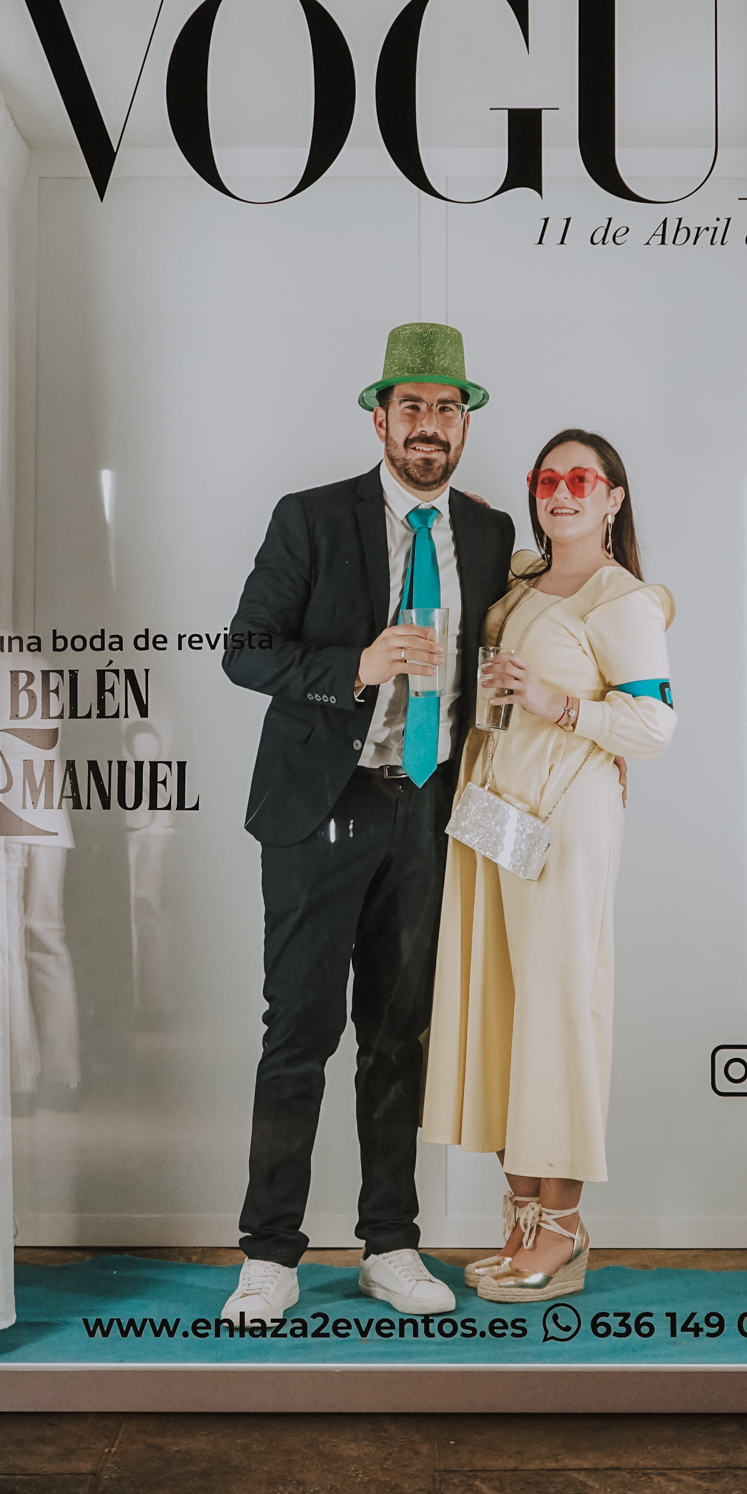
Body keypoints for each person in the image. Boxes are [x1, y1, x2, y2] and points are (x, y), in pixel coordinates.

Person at [219, 324, 516, 1325]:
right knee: (300, 1033)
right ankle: (269, 1254)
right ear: (379, 419)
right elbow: (246, 649)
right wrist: (355, 663)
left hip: (427, 810)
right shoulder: (310, 516)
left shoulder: (486, 532)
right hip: (323, 809)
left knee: (400, 1036)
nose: (430, 425)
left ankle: (390, 1243)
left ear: (464, 425)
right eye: (412, 407)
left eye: (447, 409)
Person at [421, 428, 676, 1301]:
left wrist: (555, 704)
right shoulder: (526, 579)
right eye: (546, 479)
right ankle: (523, 1215)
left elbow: (652, 727)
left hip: (565, 817)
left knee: (557, 1006)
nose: (560, 493)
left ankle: (562, 1227)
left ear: (613, 498)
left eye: (580, 480)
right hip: (494, 811)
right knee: (500, 1003)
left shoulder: (621, 600)